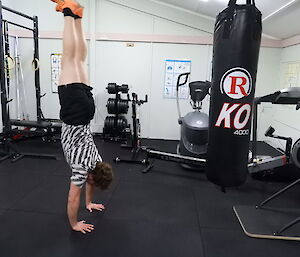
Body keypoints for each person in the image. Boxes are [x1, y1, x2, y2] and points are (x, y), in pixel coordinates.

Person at [51, 0, 113, 234]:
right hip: (74, 113)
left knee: (79, 60)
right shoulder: (81, 170)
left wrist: (90, 203)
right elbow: (71, 200)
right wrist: (75, 223)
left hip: (87, 111)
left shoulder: (97, 161)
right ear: (92, 177)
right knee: (69, 58)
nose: (90, 184)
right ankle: (68, 12)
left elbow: (92, 182)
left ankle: (77, 16)